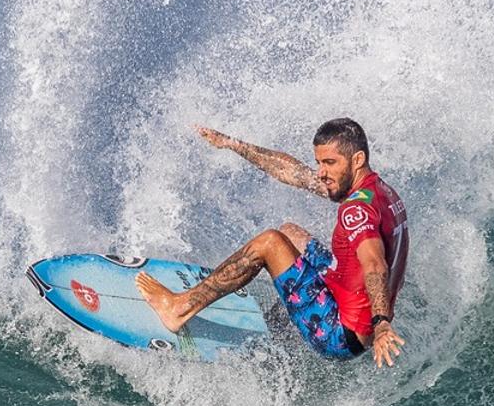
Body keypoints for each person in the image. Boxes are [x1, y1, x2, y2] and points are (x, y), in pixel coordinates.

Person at [137, 117, 409, 367]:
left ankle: (179, 308)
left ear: (357, 159)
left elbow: (375, 265)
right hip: (345, 294)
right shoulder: (380, 192)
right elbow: (295, 173)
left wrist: (382, 323)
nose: (321, 172)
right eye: (319, 162)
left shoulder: (355, 210)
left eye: (330, 163)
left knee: (270, 242)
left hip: (339, 332)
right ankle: (280, 329)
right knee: (290, 233)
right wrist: (233, 144)